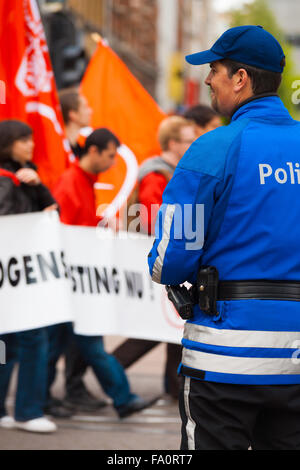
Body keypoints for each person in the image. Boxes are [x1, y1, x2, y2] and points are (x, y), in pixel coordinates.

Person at [148, 25, 300, 450]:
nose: (207, 80)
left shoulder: (212, 148)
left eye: (214, 69)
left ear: (240, 78)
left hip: (224, 360)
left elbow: (170, 260)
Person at [48, 128, 154, 418]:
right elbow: (64, 229)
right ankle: (124, 398)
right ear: (93, 151)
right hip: (74, 280)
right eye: (109, 156)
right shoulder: (72, 182)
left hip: (75, 279)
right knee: (88, 343)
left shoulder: (80, 180)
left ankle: (41, 398)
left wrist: (100, 223)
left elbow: (75, 224)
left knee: (59, 343)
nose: (111, 164)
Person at [113, 116, 196, 401]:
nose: (192, 144)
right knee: (156, 326)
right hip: (154, 259)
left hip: (162, 258)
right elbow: (153, 218)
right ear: (172, 143)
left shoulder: (169, 170)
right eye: (187, 139)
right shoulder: (156, 174)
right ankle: (106, 368)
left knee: (168, 326)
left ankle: (174, 388)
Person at [47, 88, 104, 416]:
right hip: (61, 252)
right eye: (84, 105)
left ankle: (70, 386)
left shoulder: (75, 151)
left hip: (76, 252)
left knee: (70, 331)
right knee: (52, 335)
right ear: (71, 113)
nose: (90, 108)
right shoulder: (57, 151)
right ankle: (42, 396)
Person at [0, 120, 58, 433]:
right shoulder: (8, 181)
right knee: (32, 340)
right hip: (17, 278)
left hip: (16, 277)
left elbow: (52, 210)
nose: (30, 145)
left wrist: (37, 186)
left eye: (31, 140)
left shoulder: (25, 177)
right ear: (8, 143)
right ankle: (28, 410)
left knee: (8, 342)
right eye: (24, 140)